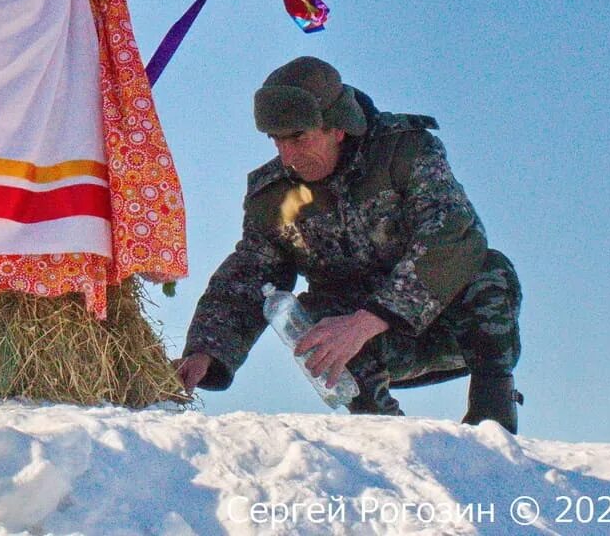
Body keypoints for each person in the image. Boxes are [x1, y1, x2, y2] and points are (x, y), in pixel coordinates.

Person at [176, 56, 524, 431]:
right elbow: (248, 276)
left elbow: (451, 235)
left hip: (452, 332)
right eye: (276, 140)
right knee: (308, 314)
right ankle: (381, 433)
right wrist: (206, 351)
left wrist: (368, 320)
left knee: (487, 270)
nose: (287, 155)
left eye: (299, 138)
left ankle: (494, 415)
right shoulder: (274, 198)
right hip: (369, 355)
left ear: (338, 129)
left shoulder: (405, 151)